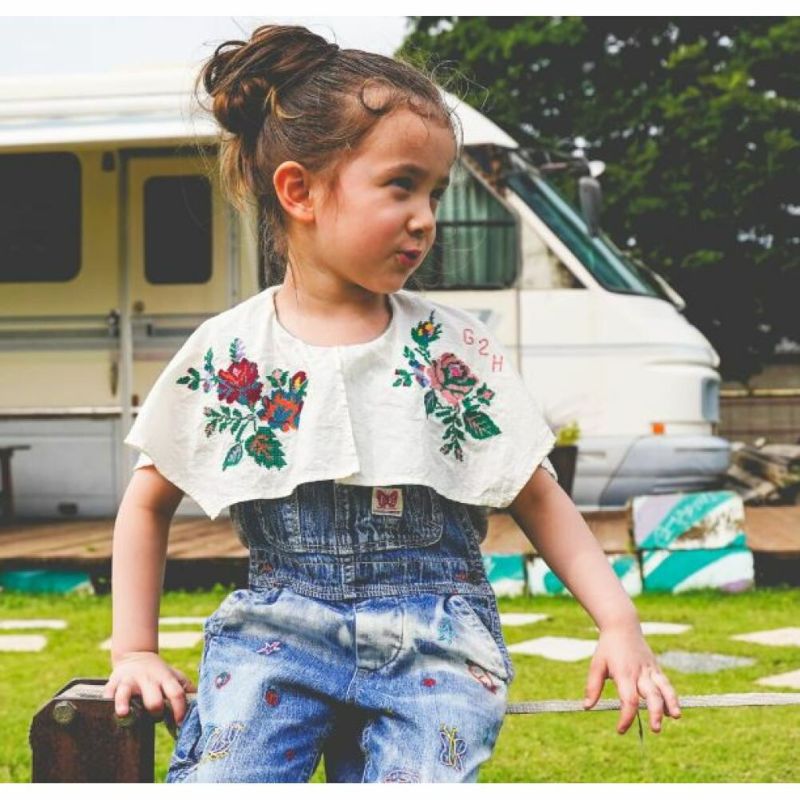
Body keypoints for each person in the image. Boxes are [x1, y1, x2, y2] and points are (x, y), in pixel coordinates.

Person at [102, 23, 681, 783]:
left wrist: (619, 623)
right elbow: (147, 502)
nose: (425, 217)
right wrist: (134, 649)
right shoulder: (231, 354)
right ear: (300, 191)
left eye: (436, 192)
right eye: (401, 185)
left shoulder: (452, 350)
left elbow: (538, 495)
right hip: (278, 637)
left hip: (434, 643)